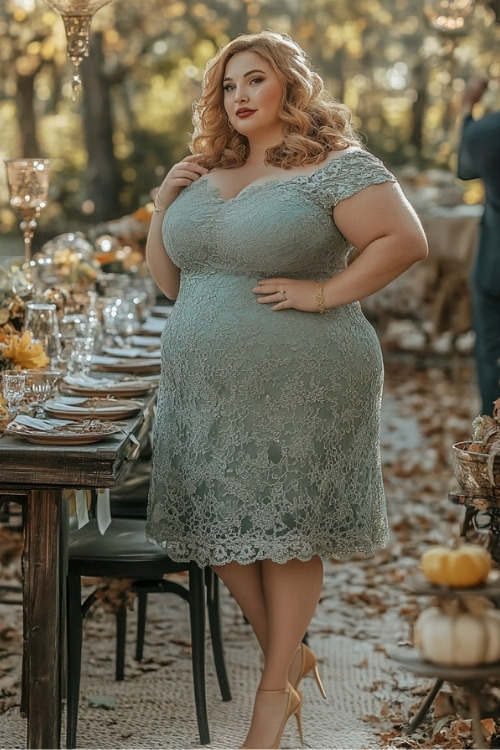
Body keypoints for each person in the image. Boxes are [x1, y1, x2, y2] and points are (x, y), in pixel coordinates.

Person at [145, 30, 428, 750]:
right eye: (228, 85)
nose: (238, 96)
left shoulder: (334, 165)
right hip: (203, 386)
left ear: (289, 88)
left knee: (286, 526)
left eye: (254, 81)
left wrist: (324, 292)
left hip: (304, 375)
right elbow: (172, 281)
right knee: (218, 524)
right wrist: (163, 203)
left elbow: (403, 239)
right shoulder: (207, 169)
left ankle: (273, 700)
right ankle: (290, 654)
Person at [457, 76, 500, 415]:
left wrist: (468, 107)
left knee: (489, 353)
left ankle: (493, 437)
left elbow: (465, 169)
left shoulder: (486, 132)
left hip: (493, 264)